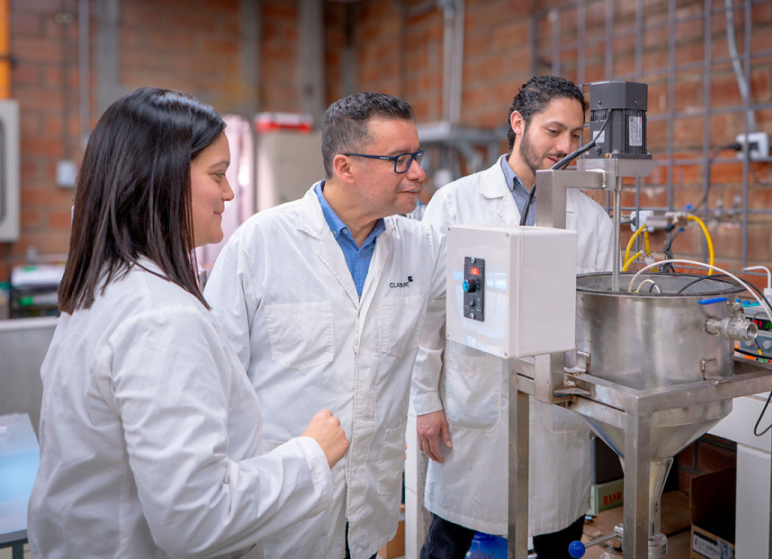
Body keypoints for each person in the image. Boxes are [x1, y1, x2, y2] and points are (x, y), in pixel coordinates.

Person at [26, 88, 349, 559]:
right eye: (217, 174)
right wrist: (310, 455)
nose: (230, 192)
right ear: (162, 179)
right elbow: (195, 519)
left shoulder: (105, 289)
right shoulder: (160, 318)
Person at [204, 92, 445, 559]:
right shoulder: (261, 243)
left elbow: (452, 320)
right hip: (281, 516)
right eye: (399, 160)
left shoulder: (423, 246)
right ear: (345, 166)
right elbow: (214, 382)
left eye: (417, 156)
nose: (418, 172)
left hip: (367, 512)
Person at [413, 75, 615, 558]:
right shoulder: (456, 203)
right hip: (473, 405)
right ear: (518, 123)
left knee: (555, 539)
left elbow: (598, 322)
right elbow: (430, 311)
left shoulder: (592, 221)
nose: (565, 147)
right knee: (448, 543)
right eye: (553, 131)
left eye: (575, 136)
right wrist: (424, 399)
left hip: (554, 415)